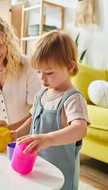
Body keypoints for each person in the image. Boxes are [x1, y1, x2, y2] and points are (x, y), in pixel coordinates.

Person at [12, 30, 90, 190]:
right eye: (38, 71)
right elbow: (32, 118)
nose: (41, 77)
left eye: (48, 72)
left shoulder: (72, 98)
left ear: (69, 67)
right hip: (39, 165)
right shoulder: (41, 94)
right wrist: (19, 132)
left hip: (61, 174)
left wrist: (49, 138)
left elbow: (80, 128)